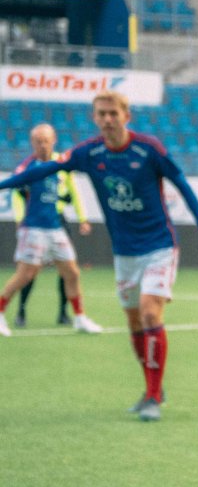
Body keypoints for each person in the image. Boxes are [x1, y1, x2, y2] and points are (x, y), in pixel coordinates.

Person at [0, 91, 198, 421]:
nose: (107, 119)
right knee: (134, 321)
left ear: (126, 116)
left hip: (159, 245)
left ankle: (153, 397)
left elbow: (182, 184)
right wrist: (3, 185)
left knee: (149, 313)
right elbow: (43, 171)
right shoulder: (89, 152)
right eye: (101, 114)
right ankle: (151, 387)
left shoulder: (149, 149)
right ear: (94, 118)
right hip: (124, 251)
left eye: (113, 113)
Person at [0, 123, 102, 337]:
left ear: (53, 140)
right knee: (25, 275)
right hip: (33, 229)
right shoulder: (27, 168)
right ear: (32, 143)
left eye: (46, 141)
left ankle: (80, 318)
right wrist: (19, 219)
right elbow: (16, 192)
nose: (43, 145)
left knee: (72, 273)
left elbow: (73, 191)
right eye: (38, 141)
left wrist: (82, 218)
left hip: (55, 227)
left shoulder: (60, 164)